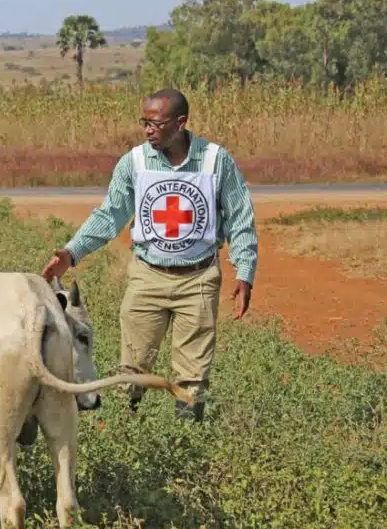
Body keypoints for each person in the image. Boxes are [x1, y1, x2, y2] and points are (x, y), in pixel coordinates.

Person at [41, 88, 258, 423]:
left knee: (192, 375)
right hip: (147, 277)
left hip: (199, 280)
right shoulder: (135, 162)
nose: (147, 130)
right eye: (144, 122)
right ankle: (124, 432)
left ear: (181, 123)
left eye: (155, 123)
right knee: (132, 368)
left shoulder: (216, 160)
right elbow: (109, 215)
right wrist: (71, 253)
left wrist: (245, 272)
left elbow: (240, 216)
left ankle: (186, 440)